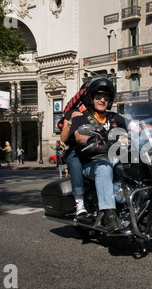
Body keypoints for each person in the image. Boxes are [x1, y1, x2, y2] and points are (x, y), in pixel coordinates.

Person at [68, 78, 127, 232]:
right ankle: (110, 215)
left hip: (116, 159)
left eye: (106, 98)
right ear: (91, 98)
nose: (102, 100)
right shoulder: (82, 118)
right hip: (93, 164)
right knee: (104, 168)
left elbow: (135, 126)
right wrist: (91, 139)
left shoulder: (115, 118)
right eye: (99, 97)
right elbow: (79, 136)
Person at [59, 82, 90, 216]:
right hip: (76, 150)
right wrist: (71, 120)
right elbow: (64, 138)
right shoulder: (72, 112)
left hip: (96, 149)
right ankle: (79, 203)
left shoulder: (99, 113)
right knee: (76, 164)